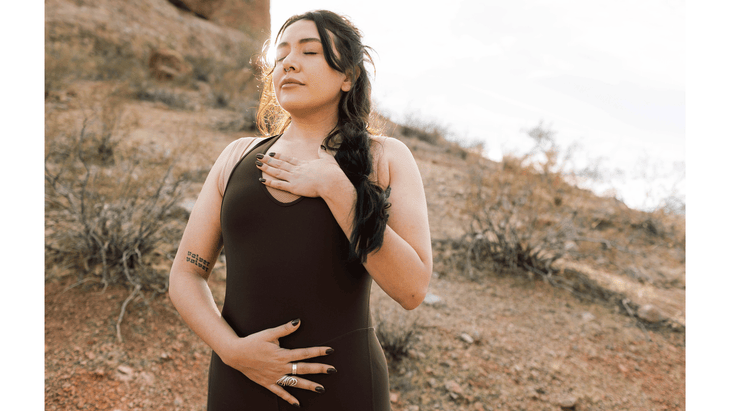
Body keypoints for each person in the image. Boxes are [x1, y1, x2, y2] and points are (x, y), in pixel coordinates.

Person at [168, 9, 432, 410]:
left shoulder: (385, 158)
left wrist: (337, 190)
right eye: (282, 54)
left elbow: (412, 289)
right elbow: (187, 273)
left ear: (349, 76)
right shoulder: (237, 156)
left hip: (342, 387)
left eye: (310, 52)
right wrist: (234, 351)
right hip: (238, 379)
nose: (289, 62)